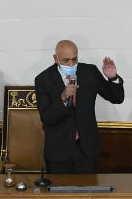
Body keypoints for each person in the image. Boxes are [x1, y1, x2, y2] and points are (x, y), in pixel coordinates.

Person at [35, 40, 124, 173]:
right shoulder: (43, 79)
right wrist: (63, 99)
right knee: (59, 193)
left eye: (74, 59)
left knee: (88, 192)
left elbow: (116, 98)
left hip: (86, 150)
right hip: (58, 151)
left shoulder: (90, 72)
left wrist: (112, 78)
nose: (71, 64)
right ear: (55, 58)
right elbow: (47, 118)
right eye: (66, 60)